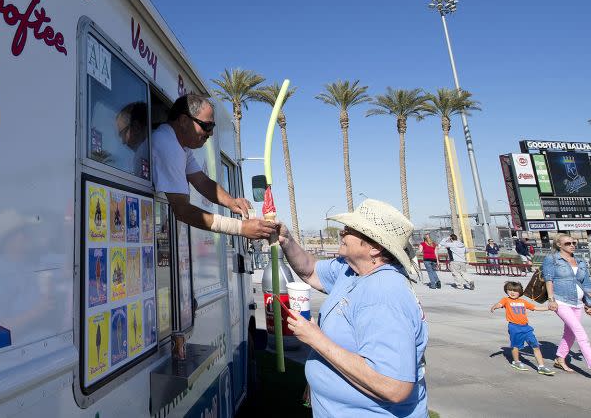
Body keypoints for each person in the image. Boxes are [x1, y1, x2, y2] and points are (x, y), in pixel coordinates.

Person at [265, 199, 427, 416]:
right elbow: (310, 271)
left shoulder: (385, 294)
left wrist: (316, 339)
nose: (342, 232)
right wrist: (287, 241)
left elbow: (394, 387)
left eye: (350, 230)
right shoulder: (350, 271)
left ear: (374, 248)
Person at [151, 94, 276, 240]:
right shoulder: (168, 145)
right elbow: (182, 210)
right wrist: (240, 228)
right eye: (207, 126)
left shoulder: (180, 146)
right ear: (184, 121)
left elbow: (202, 181)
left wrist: (231, 202)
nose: (210, 133)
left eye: (213, 127)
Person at [542, 235, 591, 387]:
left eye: (574, 242)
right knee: (581, 334)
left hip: (577, 302)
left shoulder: (581, 261)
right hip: (561, 300)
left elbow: (587, 285)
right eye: (568, 243)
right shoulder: (552, 259)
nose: (572, 245)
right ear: (559, 245)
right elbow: (548, 280)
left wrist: (589, 304)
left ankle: (560, 358)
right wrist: (551, 300)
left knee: (570, 333)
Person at [489, 281, 555, 375]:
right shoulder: (506, 300)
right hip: (514, 327)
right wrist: (495, 306)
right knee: (515, 346)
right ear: (506, 291)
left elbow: (535, 308)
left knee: (535, 346)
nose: (512, 292)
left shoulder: (523, 301)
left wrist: (548, 308)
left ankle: (541, 367)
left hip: (526, 328)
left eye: (515, 290)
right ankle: (516, 362)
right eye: (510, 290)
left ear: (520, 292)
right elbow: (499, 304)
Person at [115, 101, 150, 179]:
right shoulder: (149, 148)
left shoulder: (142, 153)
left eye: (123, 133)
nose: (123, 141)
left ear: (136, 127)